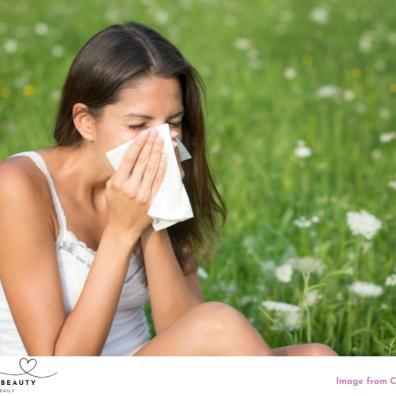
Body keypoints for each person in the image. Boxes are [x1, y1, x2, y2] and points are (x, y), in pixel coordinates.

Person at [0, 21, 338, 356]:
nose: (161, 141)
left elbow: (184, 332)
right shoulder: (19, 185)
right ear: (85, 122)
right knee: (220, 324)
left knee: (317, 360)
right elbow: (57, 371)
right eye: (138, 124)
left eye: (172, 123)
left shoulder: (166, 174)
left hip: (138, 365)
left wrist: (155, 216)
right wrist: (120, 232)